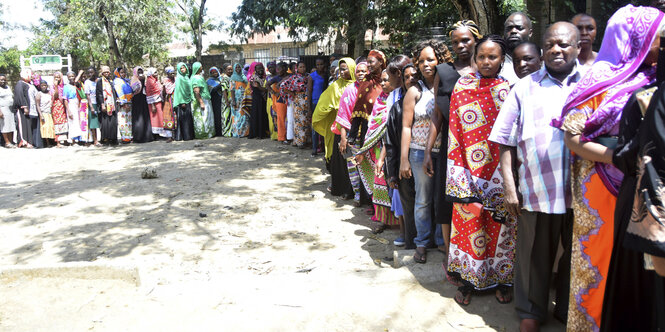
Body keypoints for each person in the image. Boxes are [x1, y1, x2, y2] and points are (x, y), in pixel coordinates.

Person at [551, 5, 664, 331]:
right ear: (638, 39)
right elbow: (572, 137)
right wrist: (616, 158)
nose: (663, 44)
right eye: (660, 37)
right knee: (599, 263)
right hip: (600, 189)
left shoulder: (657, 76)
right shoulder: (599, 81)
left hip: (645, 190)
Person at [490, 22, 581, 332]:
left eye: (564, 44)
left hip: (584, 192)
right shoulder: (524, 88)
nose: (557, 49)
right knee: (533, 255)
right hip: (537, 188)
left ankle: (570, 309)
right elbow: (505, 141)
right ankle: (531, 309)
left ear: (578, 48)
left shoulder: (593, 83)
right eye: (551, 44)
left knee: (577, 255)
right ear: (543, 50)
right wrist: (510, 188)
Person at [445, 35, 515, 306]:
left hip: (500, 173)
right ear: (475, 57)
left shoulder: (508, 90)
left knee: (502, 230)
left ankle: (502, 281)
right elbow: (455, 132)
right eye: (481, 56)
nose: (486, 62)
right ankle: (467, 282)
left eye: (493, 57)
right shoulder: (462, 86)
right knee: (469, 226)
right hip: (467, 172)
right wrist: (459, 176)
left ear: (502, 59)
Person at [424, 20, 481, 275]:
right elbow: (437, 114)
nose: (461, 45)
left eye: (466, 40)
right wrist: (428, 151)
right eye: (456, 41)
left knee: (478, 199)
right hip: (450, 146)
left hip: (481, 146)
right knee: (446, 200)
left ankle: (479, 253)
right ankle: (450, 254)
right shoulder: (444, 72)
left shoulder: (486, 67)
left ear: (475, 40)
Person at [399, 40, 451, 264]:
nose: (425, 64)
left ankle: (441, 240)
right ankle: (421, 242)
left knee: (442, 200)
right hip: (420, 153)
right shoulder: (414, 91)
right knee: (423, 200)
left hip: (446, 153)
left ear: (439, 59)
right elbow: (406, 126)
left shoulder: (448, 85)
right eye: (421, 61)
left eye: (430, 59)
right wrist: (404, 159)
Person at [312, 58, 357, 198]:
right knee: (340, 160)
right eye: (341, 69)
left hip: (356, 128)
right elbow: (323, 103)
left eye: (346, 69)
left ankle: (355, 191)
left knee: (354, 161)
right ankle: (341, 188)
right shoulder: (334, 86)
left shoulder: (359, 85)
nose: (343, 72)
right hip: (339, 127)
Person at [336, 61, 372, 206]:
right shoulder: (349, 90)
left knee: (368, 166)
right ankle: (358, 195)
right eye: (359, 71)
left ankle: (370, 199)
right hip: (352, 135)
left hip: (368, 134)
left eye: (365, 71)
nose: (361, 74)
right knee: (353, 167)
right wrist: (343, 138)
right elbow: (343, 115)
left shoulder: (373, 88)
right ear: (354, 73)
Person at [346, 50, 386, 147]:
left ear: (380, 62)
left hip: (384, 129)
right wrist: (351, 137)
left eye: (371, 62)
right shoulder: (366, 81)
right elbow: (358, 108)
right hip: (367, 129)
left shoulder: (387, 80)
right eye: (367, 62)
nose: (368, 65)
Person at [282, 61, 309, 146]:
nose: (303, 68)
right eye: (301, 67)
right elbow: (283, 86)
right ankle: (299, 142)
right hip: (298, 100)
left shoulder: (309, 77)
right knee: (298, 121)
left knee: (307, 121)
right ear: (297, 68)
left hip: (307, 100)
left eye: (304, 67)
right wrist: (293, 94)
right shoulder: (294, 77)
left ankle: (307, 140)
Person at [502, 12, 532, 84]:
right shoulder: (496, 60)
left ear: (530, 33)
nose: (513, 31)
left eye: (519, 28)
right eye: (509, 28)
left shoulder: (542, 58)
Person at [308, 57, 328, 156]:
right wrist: (309, 108)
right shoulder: (312, 76)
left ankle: (325, 148)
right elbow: (309, 92)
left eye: (321, 64)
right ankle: (314, 148)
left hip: (326, 104)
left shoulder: (327, 75)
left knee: (325, 126)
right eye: (317, 65)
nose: (319, 66)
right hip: (315, 103)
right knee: (315, 126)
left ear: (324, 65)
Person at [130, 66, 153, 143]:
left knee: (145, 117)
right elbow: (134, 90)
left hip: (144, 100)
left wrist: (143, 81)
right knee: (138, 119)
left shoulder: (145, 79)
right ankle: (138, 137)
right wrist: (139, 82)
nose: (140, 73)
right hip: (137, 101)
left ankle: (147, 136)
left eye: (141, 72)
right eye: (138, 72)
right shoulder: (133, 79)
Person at [173, 62, 195, 141]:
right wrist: (182, 101)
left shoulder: (186, 77)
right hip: (182, 102)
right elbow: (179, 91)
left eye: (184, 67)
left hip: (188, 100)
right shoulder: (179, 78)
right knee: (184, 120)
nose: (183, 69)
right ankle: (184, 136)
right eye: (181, 68)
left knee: (188, 119)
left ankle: (189, 135)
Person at [96, 66, 117, 145]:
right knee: (105, 122)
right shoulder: (100, 81)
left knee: (113, 122)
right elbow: (99, 94)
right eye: (105, 72)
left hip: (112, 104)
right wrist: (102, 104)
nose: (107, 73)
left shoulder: (111, 81)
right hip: (105, 104)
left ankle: (113, 138)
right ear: (102, 73)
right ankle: (106, 139)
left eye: (108, 72)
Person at [269, 62, 290, 143]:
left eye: (279, 69)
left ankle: (289, 136)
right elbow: (267, 85)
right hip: (280, 100)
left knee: (290, 119)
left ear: (284, 68)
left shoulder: (290, 76)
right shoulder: (277, 78)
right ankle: (281, 137)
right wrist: (274, 93)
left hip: (290, 100)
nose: (277, 71)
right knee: (281, 119)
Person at [248, 62, 269, 139]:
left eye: (261, 68)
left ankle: (263, 133)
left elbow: (264, 88)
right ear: (255, 70)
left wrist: (263, 89)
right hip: (257, 99)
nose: (260, 70)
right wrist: (264, 89)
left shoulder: (265, 77)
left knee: (263, 115)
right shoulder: (253, 78)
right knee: (257, 115)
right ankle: (257, 133)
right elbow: (258, 88)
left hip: (264, 99)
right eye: (258, 68)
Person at [14, 70, 34, 148]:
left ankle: (29, 141)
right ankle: (23, 141)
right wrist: (24, 106)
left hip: (29, 108)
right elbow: (19, 96)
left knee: (28, 125)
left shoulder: (27, 84)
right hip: (22, 109)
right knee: (23, 125)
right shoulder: (20, 84)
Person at [113, 67, 133, 143]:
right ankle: (125, 138)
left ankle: (129, 137)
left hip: (129, 102)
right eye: (121, 72)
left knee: (129, 121)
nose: (123, 74)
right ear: (117, 73)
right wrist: (125, 103)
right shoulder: (117, 81)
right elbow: (120, 93)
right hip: (123, 104)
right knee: (123, 121)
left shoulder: (126, 81)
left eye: (124, 72)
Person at [145, 67, 165, 139]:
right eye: (155, 72)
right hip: (153, 103)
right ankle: (156, 134)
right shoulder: (149, 82)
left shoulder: (155, 80)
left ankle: (161, 133)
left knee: (160, 117)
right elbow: (149, 93)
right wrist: (153, 105)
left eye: (157, 72)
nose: (157, 74)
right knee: (155, 118)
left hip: (159, 101)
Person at [230, 63, 248, 138]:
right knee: (237, 116)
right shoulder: (233, 78)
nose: (238, 68)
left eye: (239, 67)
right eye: (236, 67)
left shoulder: (244, 77)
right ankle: (237, 132)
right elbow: (232, 90)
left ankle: (244, 132)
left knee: (244, 115)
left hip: (244, 98)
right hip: (237, 99)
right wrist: (233, 101)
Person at [51, 72, 69, 147]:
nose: (57, 78)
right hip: (56, 106)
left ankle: (65, 140)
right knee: (57, 123)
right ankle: (58, 142)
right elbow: (55, 96)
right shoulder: (52, 87)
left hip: (62, 106)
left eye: (59, 77)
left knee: (64, 122)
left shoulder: (63, 86)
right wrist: (56, 86)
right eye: (56, 77)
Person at [84, 67, 100, 146]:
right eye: (89, 73)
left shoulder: (98, 80)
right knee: (93, 123)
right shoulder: (87, 82)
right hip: (92, 103)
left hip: (100, 103)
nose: (90, 74)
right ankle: (95, 140)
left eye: (92, 72)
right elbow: (88, 95)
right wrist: (91, 107)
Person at [207, 66, 225, 137]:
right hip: (215, 101)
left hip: (222, 99)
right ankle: (218, 132)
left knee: (223, 115)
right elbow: (212, 90)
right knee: (217, 116)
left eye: (216, 72)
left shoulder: (221, 79)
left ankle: (224, 130)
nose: (215, 73)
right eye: (213, 72)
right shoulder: (209, 81)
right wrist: (219, 85)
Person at [74, 72, 90, 145]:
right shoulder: (80, 84)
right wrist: (79, 73)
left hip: (89, 103)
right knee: (83, 122)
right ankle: (83, 139)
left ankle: (89, 139)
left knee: (89, 122)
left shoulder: (88, 83)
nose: (83, 78)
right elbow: (75, 81)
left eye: (85, 77)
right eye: (82, 77)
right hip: (82, 104)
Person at [28, 70, 43, 148]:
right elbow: (31, 100)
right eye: (35, 79)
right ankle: (36, 143)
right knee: (35, 127)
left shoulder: (38, 88)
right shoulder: (32, 88)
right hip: (34, 110)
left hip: (39, 109)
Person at [162, 66, 176, 141]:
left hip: (175, 98)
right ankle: (169, 136)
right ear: (167, 74)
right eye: (171, 73)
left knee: (175, 116)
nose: (173, 75)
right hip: (168, 99)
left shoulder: (176, 80)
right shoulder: (166, 81)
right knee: (168, 116)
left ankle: (176, 134)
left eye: (174, 73)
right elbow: (164, 91)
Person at [0, 74, 15, 148]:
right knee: (5, 126)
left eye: (4, 79)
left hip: (10, 109)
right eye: (1, 79)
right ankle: (7, 142)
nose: (3, 81)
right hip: (3, 109)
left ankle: (11, 141)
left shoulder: (8, 87)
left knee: (11, 126)